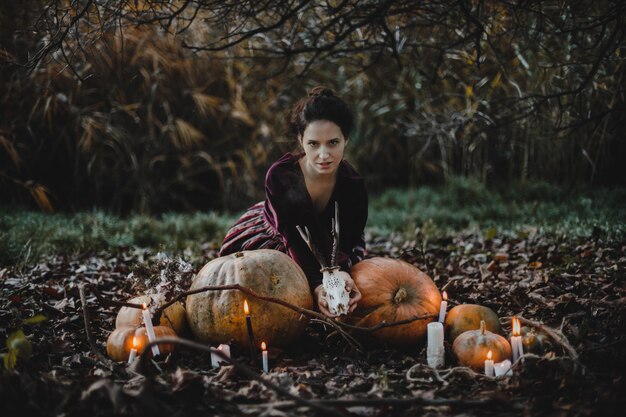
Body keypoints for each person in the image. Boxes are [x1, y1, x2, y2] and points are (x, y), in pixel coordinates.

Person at [219, 86, 368, 317]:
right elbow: (295, 239)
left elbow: (347, 239)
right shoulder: (281, 177)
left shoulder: (353, 185)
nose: (323, 154)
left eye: (333, 143)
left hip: (331, 246)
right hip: (281, 239)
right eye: (313, 144)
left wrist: (342, 273)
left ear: (346, 140)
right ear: (301, 140)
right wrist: (318, 284)